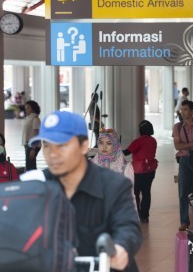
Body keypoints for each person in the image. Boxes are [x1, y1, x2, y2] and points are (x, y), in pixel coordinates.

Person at [22, 110, 142, 271]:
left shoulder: (114, 184)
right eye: (46, 145)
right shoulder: (37, 185)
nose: (52, 154)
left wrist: (120, 248)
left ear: (84, 146)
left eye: (62, 145)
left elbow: (128, 227)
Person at [173, 100, 193, 231]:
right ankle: (184, 221)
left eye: (185, 109)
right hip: (184, 161)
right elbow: (177, 146)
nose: (182, 111)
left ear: (192, 112)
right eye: (182, 109)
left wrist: (185, 145)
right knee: (183, 192)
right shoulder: (177, 126)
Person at [123, 120, 158, 223]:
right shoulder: (153, 140)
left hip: (138, 170)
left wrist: (115, 151)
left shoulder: (138, 141)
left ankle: (137, 214)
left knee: (136, 192)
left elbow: (127, 152)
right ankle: (145, 216)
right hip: (151, 169)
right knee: (146, 192)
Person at [22, 100, 41, 171]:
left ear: (33, 109)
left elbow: (37, 135)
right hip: (28, 144)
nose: (26, 110)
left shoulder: (35, 119)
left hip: (32, 145)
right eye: (25, 108)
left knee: (30, 167)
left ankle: (33, 181)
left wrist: (33, 149)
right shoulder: (29, 118)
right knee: (30, 165)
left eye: (28, 108)